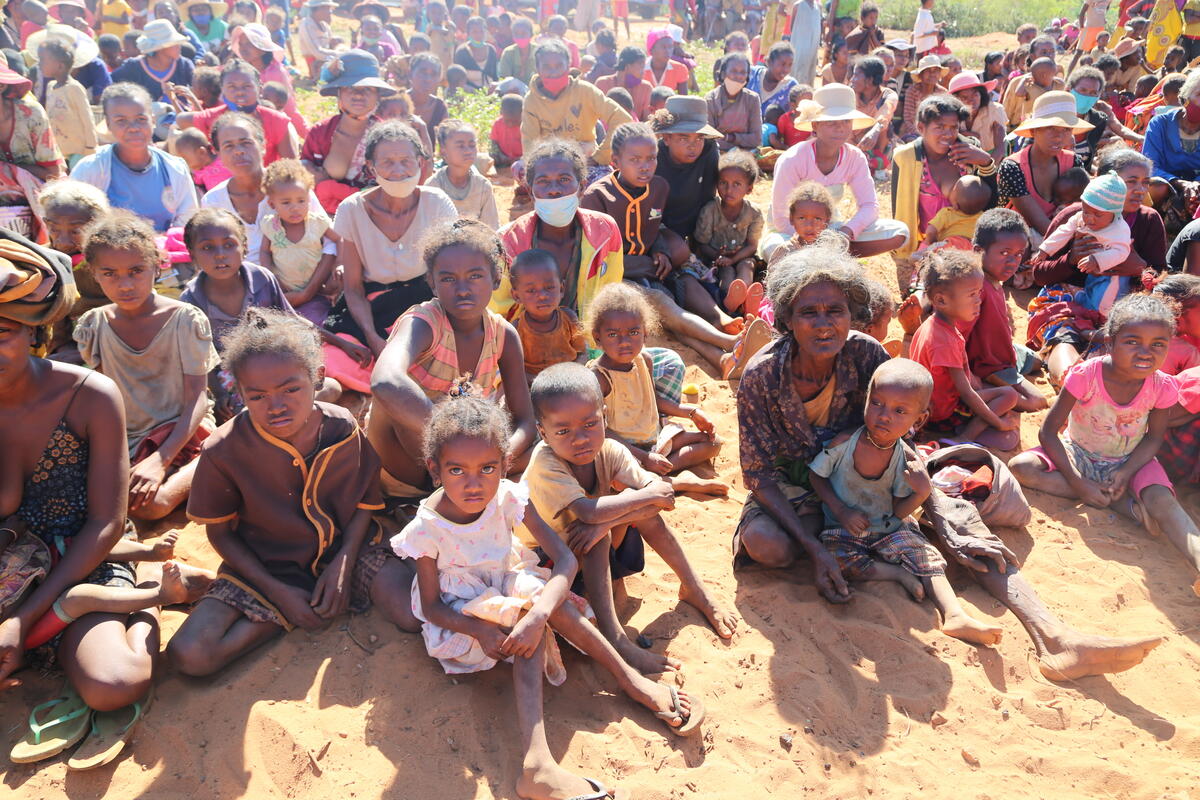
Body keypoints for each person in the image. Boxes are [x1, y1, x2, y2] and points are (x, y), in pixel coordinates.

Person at [394, 395, 694, 800]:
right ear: (435, 470)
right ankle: (537, 762)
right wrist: (481, 628)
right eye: (456, 470)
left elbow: (567, 561)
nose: (473, 483)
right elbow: (431, 606)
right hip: (464, 617)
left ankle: (630, 679)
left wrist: (541, 614)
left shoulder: (507, 495)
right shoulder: (427, 528)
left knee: (541, 606)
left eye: (486, 468)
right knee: (525, 613)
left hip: (508, 582)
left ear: (504, 465)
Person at [0, 232, 177, 761]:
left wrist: (22, 618)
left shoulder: (89, 396)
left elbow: (105, 521)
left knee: (115, 684)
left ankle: (151, 594)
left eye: (3, 332)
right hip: (10, 563)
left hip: (85, 559)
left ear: (35, 331)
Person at [166, 308, 420, 676]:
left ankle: (310, 601)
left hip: (350, 547)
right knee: (191, 655)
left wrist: (343, 564)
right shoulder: (224, 449)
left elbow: (366, 501)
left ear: (317, 377)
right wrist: (279, 593)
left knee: (412, 614)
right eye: (258, 396)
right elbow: (219, 532)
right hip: (270, 566)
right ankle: (286, 611)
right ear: (240, 392)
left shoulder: (340, 427)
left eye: (291, 389)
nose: (277, 406)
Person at [526, 362, 736, 674]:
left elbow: (659, 498)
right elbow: (589, 510)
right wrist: (644, 499)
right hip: (544, 562)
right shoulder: (545, 462)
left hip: (587, 544)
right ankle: (617, 639)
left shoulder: (610, 450)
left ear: (604, 417)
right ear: (543, 433)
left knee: (612, 522)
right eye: (563, 431)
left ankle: (693, 587)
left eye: (589, 424)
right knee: (600, 522)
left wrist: (613, 518)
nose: (580, 439)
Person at [1010, 294, 1200, 595]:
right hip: (1079, 453)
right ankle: (1124, 506)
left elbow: (1153, 438)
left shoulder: (1161, 385)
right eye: (1133, 342)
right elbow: (1048, 433)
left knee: (1164, 502)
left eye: (1158, 345)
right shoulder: (1087, 375)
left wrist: (1127, 473)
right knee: (1022, 467)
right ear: (1110, 342)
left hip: (1131, 461)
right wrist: (1079, 482)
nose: (1145, 353)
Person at [809, 358, 1004, 644]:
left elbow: (899, 512)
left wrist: (921, 493)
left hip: (888, 528)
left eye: (899, 410)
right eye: (876, 403)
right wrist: (841, 510)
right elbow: (816, 477)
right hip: (844, 528)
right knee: (837, 561)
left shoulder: (907, 461)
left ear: (920, 419)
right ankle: (896, 574)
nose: (884, 416)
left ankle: (954, 614)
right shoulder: (845, 442)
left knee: (926, 557)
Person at [367, 220, 536, 496]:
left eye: (475, 276)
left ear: (495, 278)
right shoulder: (423, 323)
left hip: (470, 469)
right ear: (432, 284)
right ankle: (424, 496)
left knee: (546, 447)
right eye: (448, 279)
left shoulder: (503, 335)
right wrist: (447, 440)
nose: (463, 289)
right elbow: (384, 380)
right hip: (411, 467)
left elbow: (525, 421)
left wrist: (500, 459)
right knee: (393, 397)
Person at [74, 210, 218, 522]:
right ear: (93, 273)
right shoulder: (93, 325)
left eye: (136, 270)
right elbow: (101, 403)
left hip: (185, 431)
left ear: (156, 264)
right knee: (115, 502)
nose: (125, 284)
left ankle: (219, 453)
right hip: (129, 439)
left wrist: (160, 461)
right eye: (109, 273)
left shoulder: (185, 320)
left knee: (155, 503)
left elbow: (198, 398)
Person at [583, 121, 742, 370]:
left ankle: (720, 356)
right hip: (617, 279)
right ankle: (729, 341)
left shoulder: (658, 187)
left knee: (680, 291)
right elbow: (597, 260)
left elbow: (654, 225)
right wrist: (642, 265)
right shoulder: (598, 197)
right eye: (635, 160)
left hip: (651, 268)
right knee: (661, 303)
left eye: (651, 158)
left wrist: (660, 250)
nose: (645, 166)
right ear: (615, 161)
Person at [322, 122, 456, 365]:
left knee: (437, 365)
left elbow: (450, 271)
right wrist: (372, 338)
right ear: (371, 168)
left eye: (406, 160)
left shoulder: (437, 203)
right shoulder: (351, 210)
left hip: (425, 305)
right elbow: (353, 288)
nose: (398, 170)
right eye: (387, 162)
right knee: (338, 366)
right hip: (371, 308)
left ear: (420, 163)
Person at [1032, 147, 1164, 384]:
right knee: (1063, 335)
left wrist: (1140, 269)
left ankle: (1104, 382)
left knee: (1126, 342)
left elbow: (1161, 279)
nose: (1140, 190)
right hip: (1067, 301)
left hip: (1122, 306)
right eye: (1131, 182)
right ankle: (1072, 380)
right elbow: (1039, 275)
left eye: (1145, 182)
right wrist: (1070, 260)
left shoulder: (1149, 220)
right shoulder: (1077, 215)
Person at [585, 282, 726, 494]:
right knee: (620, 477)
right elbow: (602, 432)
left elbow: (652, 398)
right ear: (598, 337)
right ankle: (678, 481)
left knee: (713, 442)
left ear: (645, 333)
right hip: (624, 450)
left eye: (633, 332)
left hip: (653, 439)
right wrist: (643, 457)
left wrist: (688, 411)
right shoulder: (599, 377)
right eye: (613, 335)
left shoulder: (645, 360)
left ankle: (663, 470)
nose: (624, 342)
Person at [767, 83, 909, 260]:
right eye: (831, 122)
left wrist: (846, 232)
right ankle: (825, 258)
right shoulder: (792, 159)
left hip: (832, 230)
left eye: (846, 121)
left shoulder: (855, 157)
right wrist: (809, 240)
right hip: (792, 232)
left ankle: (833, 256)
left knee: (898, 232)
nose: (840, 128)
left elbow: (870, 206)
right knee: (777, 248)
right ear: (815, 126)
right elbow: (781, 218)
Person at [910, 248, 1020, 449]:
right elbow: (967, 393)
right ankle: (965, 437)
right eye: (971, 295)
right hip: (943, 412)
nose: (979, 300)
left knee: (998, 393)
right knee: (1009, 396)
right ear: (941, 300)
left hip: (935, 401)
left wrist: (974, 382)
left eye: (979, 292)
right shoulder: (944, 340)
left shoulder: (935, 324)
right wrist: (1000, 424)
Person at [890, 95, 999, 269]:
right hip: (922, 249)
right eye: (939, 127)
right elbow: (900, 210)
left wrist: (986, 162)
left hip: (966, 248)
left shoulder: (968, 153)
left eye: (954, 127)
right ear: (921, 127)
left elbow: (990, 205)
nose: (948, 135)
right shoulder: (906, 157)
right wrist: (904, 254)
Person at [70, 82, 196, 233]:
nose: (134, 127)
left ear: (153, 120)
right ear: (109, 125)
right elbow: (73, 221)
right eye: (121, 121)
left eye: (141, 119)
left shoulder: (174, 169)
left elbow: (187, 224)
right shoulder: (90, 169)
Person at [961, 209, 1047, 411]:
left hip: (1003, 352)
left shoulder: (996, 280)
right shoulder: (976, 289)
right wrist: (969, 377)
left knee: (1037, 361)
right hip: (987, 363)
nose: (1013, 261)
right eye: (1004, 253)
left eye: (1018, 254)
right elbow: (959, 336)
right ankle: (985, 391)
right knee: (1038, 401)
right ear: (978, 251)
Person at [300, 49, 395, 214]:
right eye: (350, 88)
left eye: (368, 89)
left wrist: (331, 187)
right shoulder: (320, 133)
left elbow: (392, 188)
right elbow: (301, 180)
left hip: (373, 217)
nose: (358, 95)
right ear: (339, 93)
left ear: (378, 95)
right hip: (321, 220)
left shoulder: (387, 138)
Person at [520, 40, 632, 172]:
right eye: (546, 67)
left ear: (568, 66)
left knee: (602, 190)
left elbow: (622, 119)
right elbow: (530, 143)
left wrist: (600, 156)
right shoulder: (532, 100)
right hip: (550, 163)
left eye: (559, 65)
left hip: (587, 159)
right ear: (537, 69)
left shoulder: (585, 91)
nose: (554, 72)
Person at [259, 158, 340, 326]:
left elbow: (340, 240)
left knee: (317, 320)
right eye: (286, 202)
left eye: (301, 200)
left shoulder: (316, 223)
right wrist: (270, 275)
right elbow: (265, 251)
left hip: (317, 289)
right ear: (272, 203)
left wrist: (338, 266)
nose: (295, 208)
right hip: (283, 289)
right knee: (280, 323)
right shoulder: (270, 225)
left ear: (308, 199)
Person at [174, 58, 301, 166]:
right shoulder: (213, 117)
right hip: (224, 185)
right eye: (231, 87)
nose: (239, 91)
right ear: (222, 89)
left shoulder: (276, 120)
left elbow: (290, 165)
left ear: (259, 88)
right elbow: (181, 119)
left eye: (247, 86)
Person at [1037, 172, 1132, 315]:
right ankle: (1082, 303)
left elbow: (1121, 252)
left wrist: (1097, 260)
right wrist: (1045, 249)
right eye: (1086, 211)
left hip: (1108, 275)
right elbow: (1065, 231)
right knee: (1087, 292)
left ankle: (1097, 316)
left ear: (1115, 213)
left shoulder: (1120, 230)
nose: (1090, 219)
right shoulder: (1079, 217)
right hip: (1085, 272)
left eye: (1098, 215)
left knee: (1101, 300)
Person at [694, 149, 764, 309]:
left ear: (749, 189)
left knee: (747, 266)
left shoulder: (754, 213)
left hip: (742, 256)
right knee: (727, 273)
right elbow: (702, 244)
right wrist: (720, 257)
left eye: (737, 184)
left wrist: (734, 259)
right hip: (717, 258)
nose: (728, 190)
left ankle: (747, 298)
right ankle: (732, 303)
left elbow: (752, 246)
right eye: (723, 183)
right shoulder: (709, 210)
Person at [507, 248, 587, 381]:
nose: (543, 296)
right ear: (516, 296)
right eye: (531, 290)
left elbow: (583, 354)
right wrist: (542, 383)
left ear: (561, 289)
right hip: (533, 385)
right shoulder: (515, 329)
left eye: (549, 287)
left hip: (570, 382)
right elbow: (513, 369)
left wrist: (571, 378)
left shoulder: (570, 319)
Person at [230, 22, 306, 138]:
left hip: (273, 126)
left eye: (249, 44)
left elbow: (289, 108)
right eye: (241, 44)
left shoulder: (276, 72)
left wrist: (308, 135)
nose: (243, 49)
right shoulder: (240, 71)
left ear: (263, 49)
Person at [426, 118, 499, 230]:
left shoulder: (483, 186)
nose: (468, 151)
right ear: (444, 151)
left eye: (472, 145)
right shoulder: (433, 186)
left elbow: (492, 229)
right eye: (460, 146)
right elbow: (426, 231)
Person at [35, 36, 96, 166]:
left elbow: (87, 119)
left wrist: (91, 147)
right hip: (59, 150)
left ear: (60, 66)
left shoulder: (74, 88)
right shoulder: (51, 86)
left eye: (43, 60)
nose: (39, 64)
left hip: (79, 151)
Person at [108, 19, 193, 103]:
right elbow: (109, 84)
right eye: (174, 43)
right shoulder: (133, 67)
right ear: (161, 48)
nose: (179, 46)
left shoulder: (184, 65)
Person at [1143, 70, 1200, 182]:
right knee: (1158, 187)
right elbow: (1150, 166)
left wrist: (1196, 185)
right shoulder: (1160, 123)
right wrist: (1179, 183)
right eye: (1199, 95)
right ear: (1186, 97)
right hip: (1167, 184)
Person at [766, 181, 837, 267]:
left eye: (817, 219)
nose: (809, 226)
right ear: (791, 219)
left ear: (827, 221)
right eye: (802, 218)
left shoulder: (831, 249)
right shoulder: (785, 251)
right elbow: (772, 279)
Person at [849, 55, 898, 175]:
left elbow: (885, 114)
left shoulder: (887, 95)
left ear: (869, 80)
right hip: (850, 140)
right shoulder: (848, 93)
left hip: (874, 143)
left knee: (885, 128)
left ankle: (876, 167)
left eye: (856, 75)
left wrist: (875, 131)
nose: (851, 79)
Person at [918, 174, 992, 250]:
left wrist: (934, 244)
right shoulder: (983, 218)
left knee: (920, 251)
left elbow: (930, 232)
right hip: (970, 249)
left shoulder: (947, 213)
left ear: (956, 204)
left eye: (953, 189)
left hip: (948, 246)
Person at [706, 51, 761, 152]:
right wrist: (742, 139)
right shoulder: (711, 99)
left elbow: (756, 138)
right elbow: (709, 137)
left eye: (743, 72)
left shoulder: (752, 99)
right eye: (734, 71)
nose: (738, 76)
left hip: (745, 153)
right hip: (716, 152)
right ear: (723, 74)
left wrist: (730, 137)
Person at [949, 71, 1007, 165]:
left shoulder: (995, 109)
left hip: (992, 160)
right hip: (962, 163)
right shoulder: (951, 114)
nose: (971, 100)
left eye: (975, 94)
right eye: (964, 97)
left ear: (981, 94)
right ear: (955, 100)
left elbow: (1000, 149)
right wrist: (965, 134)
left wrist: (988, 170)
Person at [596, 46, 654, 121]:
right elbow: (597, 116)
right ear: (627, 66)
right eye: (641, 66)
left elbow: (647, 119)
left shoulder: (646, 87)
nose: (644, 72)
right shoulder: (602, 83)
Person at [900, 54, 947, 139]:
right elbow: (908, 119)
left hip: (937, 133)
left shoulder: (942, 92)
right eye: (928, 70)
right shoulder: (912, 91)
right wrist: (923, 135)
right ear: (921, 74)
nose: (932, 74)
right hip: (914, 132)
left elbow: (944, 118)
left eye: (935, 70)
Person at [747, 42, 797, 115]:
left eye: (790, 65)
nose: (786, 70)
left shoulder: (791, 87)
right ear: (769, 62)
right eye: (782, 64)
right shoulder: (751, 74)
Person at [296, 0, 337, 80]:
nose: (330, 12)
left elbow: (330, 43)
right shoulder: (307, 24)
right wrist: (341, 55)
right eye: (327, 9)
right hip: (315, 61)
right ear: (318, 9)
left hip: (326, 58)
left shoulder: (324, 25)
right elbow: (317, 52)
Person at [644, 27, 689, 93]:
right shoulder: (640, 69)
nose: (668, 51)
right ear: (651, 49)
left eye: (670, 47)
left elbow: (683, 100)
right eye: (663, 47)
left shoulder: (680, 69)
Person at [788, 0, 822, 86]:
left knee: (810, 67)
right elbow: (792, 27)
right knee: (798, 66)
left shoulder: (818, 7)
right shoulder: (798, 5)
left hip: (813, 45)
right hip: (800, 44)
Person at [497, 15, 535, 90]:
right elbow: (505, 78)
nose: (520, 37)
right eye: (516, 34)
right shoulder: (508, 52)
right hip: (513, 91)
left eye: (523, 33)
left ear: (531, 34)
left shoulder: (538, 52)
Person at [489, 94, 523, 169]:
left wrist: (520, 158)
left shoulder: (526, 126)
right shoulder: (497, 124)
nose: (510, 124)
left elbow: (532, 147)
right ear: (501, 112)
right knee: (491, 156)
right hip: (503, 158)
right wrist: (501, 156)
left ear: (522, 113)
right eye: (507, 120)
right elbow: (493, 144)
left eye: (514, 121)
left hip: (522, 159)